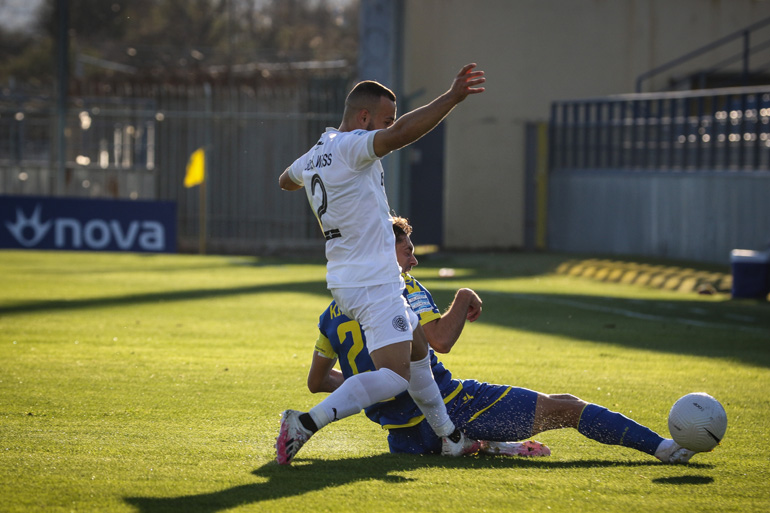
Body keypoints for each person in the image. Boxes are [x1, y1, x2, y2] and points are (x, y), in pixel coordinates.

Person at [306, 217, 698, 463]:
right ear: (384, 251)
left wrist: (373, 388)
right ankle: (663, 448)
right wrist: (463, 297)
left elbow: (318, 381)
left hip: (405, 441)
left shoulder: (333, 312)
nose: (413, 261)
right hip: (452, 409)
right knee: (568, 407)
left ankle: (489, 444)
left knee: (529, 418)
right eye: (407, 251)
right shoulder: (400, 288)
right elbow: (440, 340)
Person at [276, 64, 486, 465]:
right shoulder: (352, 145)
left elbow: (286, 179)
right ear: (363, 118)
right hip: (372, 280)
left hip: (348, 278)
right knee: (394, 377)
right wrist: (452, 97)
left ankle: (449, 436)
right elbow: (400, 134)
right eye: (384, 120)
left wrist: (315, 177)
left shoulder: (317, 152)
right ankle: (305, 423)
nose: (388, 128)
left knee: (418, 353)